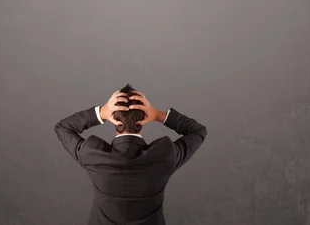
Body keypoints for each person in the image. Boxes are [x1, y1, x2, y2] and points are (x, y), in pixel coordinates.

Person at [54, 83, 208, 225]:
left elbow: (63, 128)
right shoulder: (165, 155)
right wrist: (157, 114)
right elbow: (198, 131)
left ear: (114, 119)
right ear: (143, 119)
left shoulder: (92, 155)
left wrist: (101, 113)